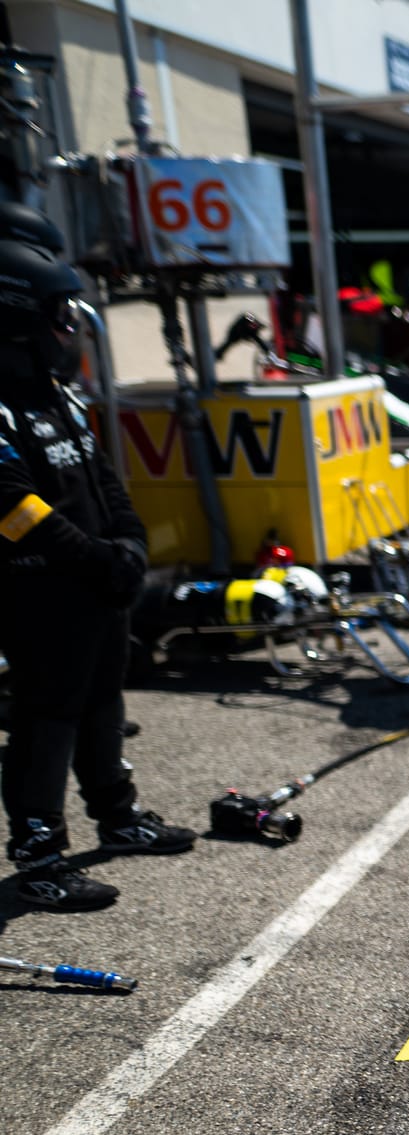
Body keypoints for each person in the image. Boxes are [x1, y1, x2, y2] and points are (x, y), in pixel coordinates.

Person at [0, 231, 194, 910]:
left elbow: (105, 480)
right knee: (47, 716)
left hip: (97, 587)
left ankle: (117, 814)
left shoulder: (59, 395)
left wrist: (131, 545)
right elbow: (14, 508)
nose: (72, 328)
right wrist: (95, 559)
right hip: (39, 592)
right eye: (62, 314)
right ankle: (39, 855)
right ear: (18, 319)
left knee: (104, 699)